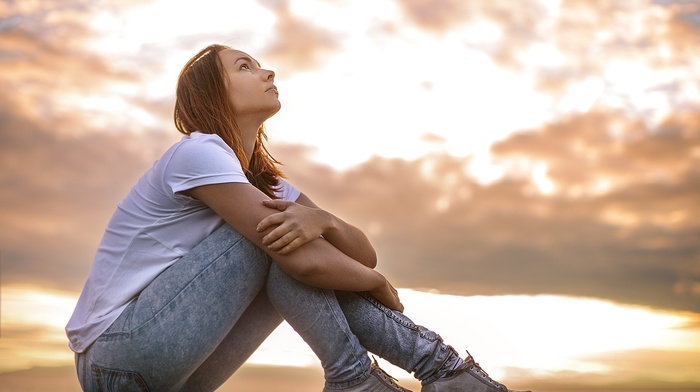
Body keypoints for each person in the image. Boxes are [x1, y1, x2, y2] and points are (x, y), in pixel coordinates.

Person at [65, 43, 531, 392]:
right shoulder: (198, 152)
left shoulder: (265, 183)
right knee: (273, 241)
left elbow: (361, 250)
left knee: (285, 242)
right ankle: (434, 371)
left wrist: (324, 221)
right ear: (212, 92)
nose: (266, 71)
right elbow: (311, 262)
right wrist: (373, 282)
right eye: (243, 66)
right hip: (116, 356)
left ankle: (402, 375)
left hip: (178, 368)